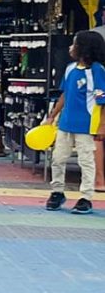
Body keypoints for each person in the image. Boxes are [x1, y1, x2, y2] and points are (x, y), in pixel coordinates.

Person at [45, 32, 105, 214]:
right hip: (65, 123)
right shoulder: (70, 68)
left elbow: (102, 99)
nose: (70, 48)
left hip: (86, 125)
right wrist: (52, 116)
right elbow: (64, 94)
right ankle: (57, 191)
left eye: (74, 44)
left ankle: (86, 196)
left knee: (86, 161)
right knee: (58, 158)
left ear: (84, 48)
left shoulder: (97, 71)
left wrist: (102, 125)